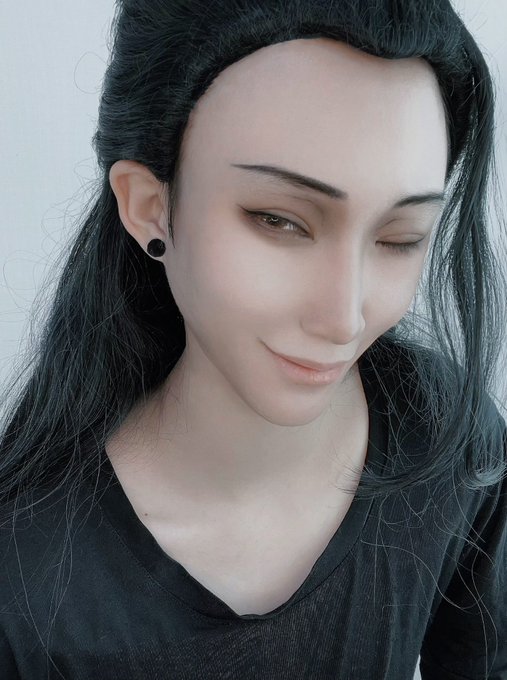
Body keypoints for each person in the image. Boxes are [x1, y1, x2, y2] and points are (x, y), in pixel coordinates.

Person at [1, 1, 506, 678]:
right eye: (279, 220)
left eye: (399, 238)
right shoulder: (26, 572)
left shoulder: (447, 443)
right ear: (149, 205)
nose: (343, 317)